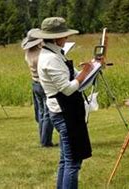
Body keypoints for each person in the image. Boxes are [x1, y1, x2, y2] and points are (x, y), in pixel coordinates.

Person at [33, 17, 94, 189]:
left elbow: (77, 79)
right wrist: (85, 72)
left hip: (66, 110)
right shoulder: (50, 58)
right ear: (56, 38)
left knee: (66, 160)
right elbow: (68, 88)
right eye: (64, 36)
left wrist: (92, 69)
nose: (66, 39)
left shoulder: (54, 54)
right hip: (64, 112)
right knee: (73, 162)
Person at [22, 29, 55, 147]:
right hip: (43, 84)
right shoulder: (41, 54)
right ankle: (46, 141)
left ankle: (43, 138)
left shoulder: (28, 53)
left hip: (35, 84)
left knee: (41, 112)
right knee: (47, 113)